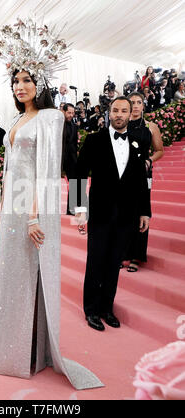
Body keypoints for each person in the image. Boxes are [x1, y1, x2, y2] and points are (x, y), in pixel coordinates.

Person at [0, 17, 103, 391]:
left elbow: (47, 172)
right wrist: (0, 210)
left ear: (40, 84)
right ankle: (16, 352)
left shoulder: (50, 118)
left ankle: (34, 352)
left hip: (35, 209)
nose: (20, 87)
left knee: (30, 277)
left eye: (26, 80)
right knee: (12, 279)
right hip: (13, 208)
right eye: (15, 81)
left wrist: (35, 215)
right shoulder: (15, 120)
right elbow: (8, 170)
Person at [75, 97, 151, 332]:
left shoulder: (138, 142)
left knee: (114, 262)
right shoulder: (94, 140)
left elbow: (142, 181)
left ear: (131, 114)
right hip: (100, 212)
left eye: (124, 110)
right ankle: (91, 310)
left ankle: (107, 308)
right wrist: (79, 208)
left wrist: (145, 211)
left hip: (127, 215)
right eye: (115, 110)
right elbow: (78, 173)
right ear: (109, 113)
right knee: (96, 261)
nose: (119, 114)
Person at [122, 92, 164, 272]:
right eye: (133, 102)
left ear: (143, 104)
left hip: (144, 175)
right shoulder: (120, 125)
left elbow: (159, 150)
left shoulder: (151, 126)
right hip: (123, 176)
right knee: (123, 212)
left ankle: (136, 256)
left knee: (141, 211)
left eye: (139, 102)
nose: (136, 105)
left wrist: (149, 161)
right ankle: (122, 252)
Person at [62, 103, 78, 215]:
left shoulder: (74, 125)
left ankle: (71, 209)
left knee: (75, 183)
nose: (71, 115)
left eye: (72, 113)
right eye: (69, 113)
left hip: (71, 159)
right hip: (58, 158)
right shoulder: (56, 125)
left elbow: (74, 144)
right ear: (63, 111)